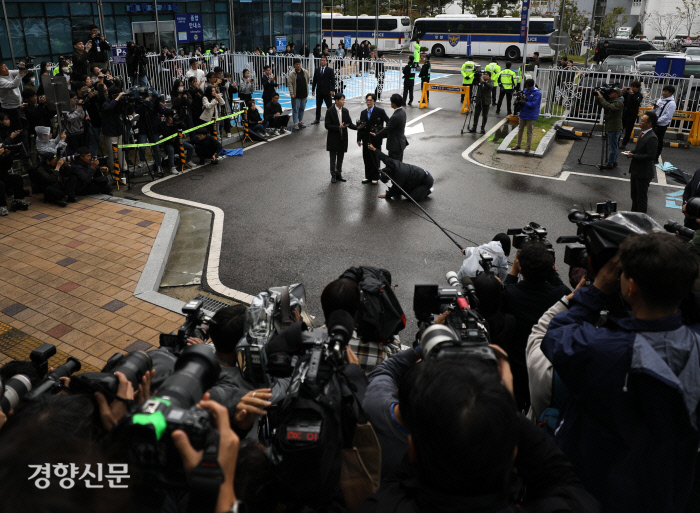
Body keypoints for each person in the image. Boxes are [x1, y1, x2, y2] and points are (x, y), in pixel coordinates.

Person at [541, 232, 700, 513]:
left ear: (631, 287)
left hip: (601, 490)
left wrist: (597, 289)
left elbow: (556, 335)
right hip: (668, 490)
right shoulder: (696, 344)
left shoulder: (606, 350)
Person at [361, 357, 601, 513]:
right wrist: (505, 410)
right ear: (513, 452)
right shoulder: (568, 506)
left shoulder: (381, 505)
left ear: (412, 450)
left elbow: (398, 481)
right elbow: (561, 479)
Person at [501, 241, 570, 412]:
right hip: (546, 369)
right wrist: (551, 270)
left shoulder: (511, 295)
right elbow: (564, 289)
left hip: (517, 367)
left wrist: (513, 271)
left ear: (521, 269)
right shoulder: (559, 296)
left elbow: (505, 289)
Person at [368, 144, 433, 202]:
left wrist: (387, 195)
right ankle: (418, 189)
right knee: (402, 189)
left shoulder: (400, 176)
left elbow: (396, 187)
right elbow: (383, 157)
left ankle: (428, 191)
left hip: (426, 181)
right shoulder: (392, 164)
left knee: (412, 198)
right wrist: (374, 149)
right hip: (416, 178)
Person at [624, 111, 659, 213]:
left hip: (643, 173)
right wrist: (631, 152)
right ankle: (633, 217)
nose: (640, 122)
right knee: (634, 196)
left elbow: (651, 155)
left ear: (649, 124)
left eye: (642, 121)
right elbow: (640, 150)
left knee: (641, 198)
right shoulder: (643, 133)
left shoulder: (652, 137)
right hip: (636, 170)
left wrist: (633, 156)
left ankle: (641, 220)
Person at [357, 93, 390, 185]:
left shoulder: (380, 111)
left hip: (376, 139)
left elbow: (389, 122)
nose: (368, 102)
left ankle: (375, 177)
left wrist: (380, 133)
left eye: (370, 100)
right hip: (366, 139)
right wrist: (359, 139)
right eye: (367, 100)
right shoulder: (363, 113)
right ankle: (368, 176)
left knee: (375, 158)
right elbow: (360, 127)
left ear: (374, 101)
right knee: (366, 158)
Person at [325, 93, 357, 184]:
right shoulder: (330, 111)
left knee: (340, 157)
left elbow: (349, 124)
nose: (344, 101)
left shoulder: (345, 111)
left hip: (343, 138)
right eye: (342, 100)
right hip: (333, 138)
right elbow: (327, 125)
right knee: (332, 158)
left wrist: (358, 128)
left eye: (344, 99)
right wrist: (338, 127)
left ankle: (339, 173)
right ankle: (333, 175)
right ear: (336, 101)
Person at [509, 78, 542, 154]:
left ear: (531, 86)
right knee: (520, 129)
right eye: (526, 87)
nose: (526, 88)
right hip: (523, 113)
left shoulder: (537, 93)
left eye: (527, 87)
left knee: (529, 131)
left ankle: (528, 147)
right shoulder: (525, 91)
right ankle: (518, 145)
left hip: (531, 114)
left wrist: (524, 102)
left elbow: (533, 104)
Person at [372, 93, 407, 162]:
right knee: (399, 164)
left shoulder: (395, 117)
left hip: (395, 145)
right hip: (400, 143)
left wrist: (376, 135)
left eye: (391, 102)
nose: (390, 103)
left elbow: (387, 129)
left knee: (394, 165)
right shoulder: (403, 112)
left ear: (394, 103)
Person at [596, 87, 625, 169]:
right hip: (611, 127)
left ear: (617, 94)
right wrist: (598, 98)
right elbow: (602, 105)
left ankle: (610, 163)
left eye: (612, 92)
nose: (610, 93)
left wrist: (601, 98)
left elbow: (609, 107)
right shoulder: (612, 101)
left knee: (612, 147)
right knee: (614, 146)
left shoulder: (619, 103)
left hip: (614, 128)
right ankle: (613, 160)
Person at [101, 87, 126, 180]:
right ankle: (114, 170)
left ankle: (123, 168)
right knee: (113, 153)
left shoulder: (118, 102)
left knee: (121, 151)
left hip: (118, 130)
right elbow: (108, 108)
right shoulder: (106, 103)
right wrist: (117, 99)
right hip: (110, 131)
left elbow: (124, 111)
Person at [0, 62, 29, 131]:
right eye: (3, 68)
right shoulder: (0, 81)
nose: (6, 69)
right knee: (16, 129)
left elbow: (22, 73)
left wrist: (25, 67)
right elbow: (14, 85)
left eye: (5, 66)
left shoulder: (9, 72)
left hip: (17, 105)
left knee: (23, 126)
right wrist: (21, 72)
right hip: (9, 108)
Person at [651, 84, 677, 162]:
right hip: (655, 123)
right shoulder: (660, 100)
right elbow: (654, 111)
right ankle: (650, 155)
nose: (663, 93)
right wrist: (654, 108)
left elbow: (667, 116)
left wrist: (656, 120)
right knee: (652, 140)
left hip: (661, 125)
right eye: (663, 90)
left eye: (666, 91)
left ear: (670, 93)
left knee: (658, 141)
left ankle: (656, 157)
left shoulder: (672, 103)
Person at [311, 56, 335, 125]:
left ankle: (331, 119)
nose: (322, 61)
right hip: (319, 91)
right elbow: (314, 80)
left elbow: (333, 80)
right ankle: (317, 119)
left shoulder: (330, 70)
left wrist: (332, 90)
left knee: (329, 106)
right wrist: (313, 89)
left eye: (324, 60)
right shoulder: (317, 70)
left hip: (327, 91)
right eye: (321, 60)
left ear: (326, 61)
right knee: (318, 106)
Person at [287, 58, 310, 130]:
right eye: (297, 64)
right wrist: (292, 93)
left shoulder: (305, 72)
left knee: (302, 108)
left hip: (304, 94)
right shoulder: (292, 74)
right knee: (295, 109)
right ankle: (295, 123)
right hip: (296, 95)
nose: (298, 65)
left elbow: (308, 80)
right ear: (294, 65)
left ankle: (300, 121)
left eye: (299, 64)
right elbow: (290, 84)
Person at [621, 81, 644, 149]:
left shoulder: (639, 95)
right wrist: (623, 91)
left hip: (632, 114)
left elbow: (637, 102)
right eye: (632, 86)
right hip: (625, 113)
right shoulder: (628, 93)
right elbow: (622, 98)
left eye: (634, 87)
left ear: (638, 88)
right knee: (620, 127)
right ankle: (616, 141)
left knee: (628, 129)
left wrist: (631, 95)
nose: (632, 88)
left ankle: (624, 143)